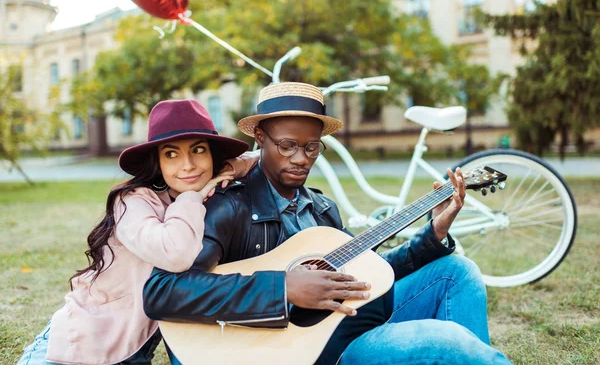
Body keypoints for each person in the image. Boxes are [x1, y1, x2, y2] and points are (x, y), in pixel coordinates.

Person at [143, 83, 512, 364]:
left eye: (312, 147)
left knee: (456, 270)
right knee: (448, 341)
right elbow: (161, 292)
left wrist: (434, 234)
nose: (301, 159)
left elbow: (370, 274)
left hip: (347, 326)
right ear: (259, 138)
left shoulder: (320, 208)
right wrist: (283, 288)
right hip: (302, 352)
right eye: (287, 146)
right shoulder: (230, 206)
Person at [16, 99, 259, 365]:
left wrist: (238, 165)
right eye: (171, 154)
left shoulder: (214, 200)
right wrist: (193, 196)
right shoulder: (133, 202)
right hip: (77, 348)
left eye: (198, 150)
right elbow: (175, 253)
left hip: (134, 354)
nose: (187, 165)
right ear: (158, 162)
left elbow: (273, 156)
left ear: (213, 155)